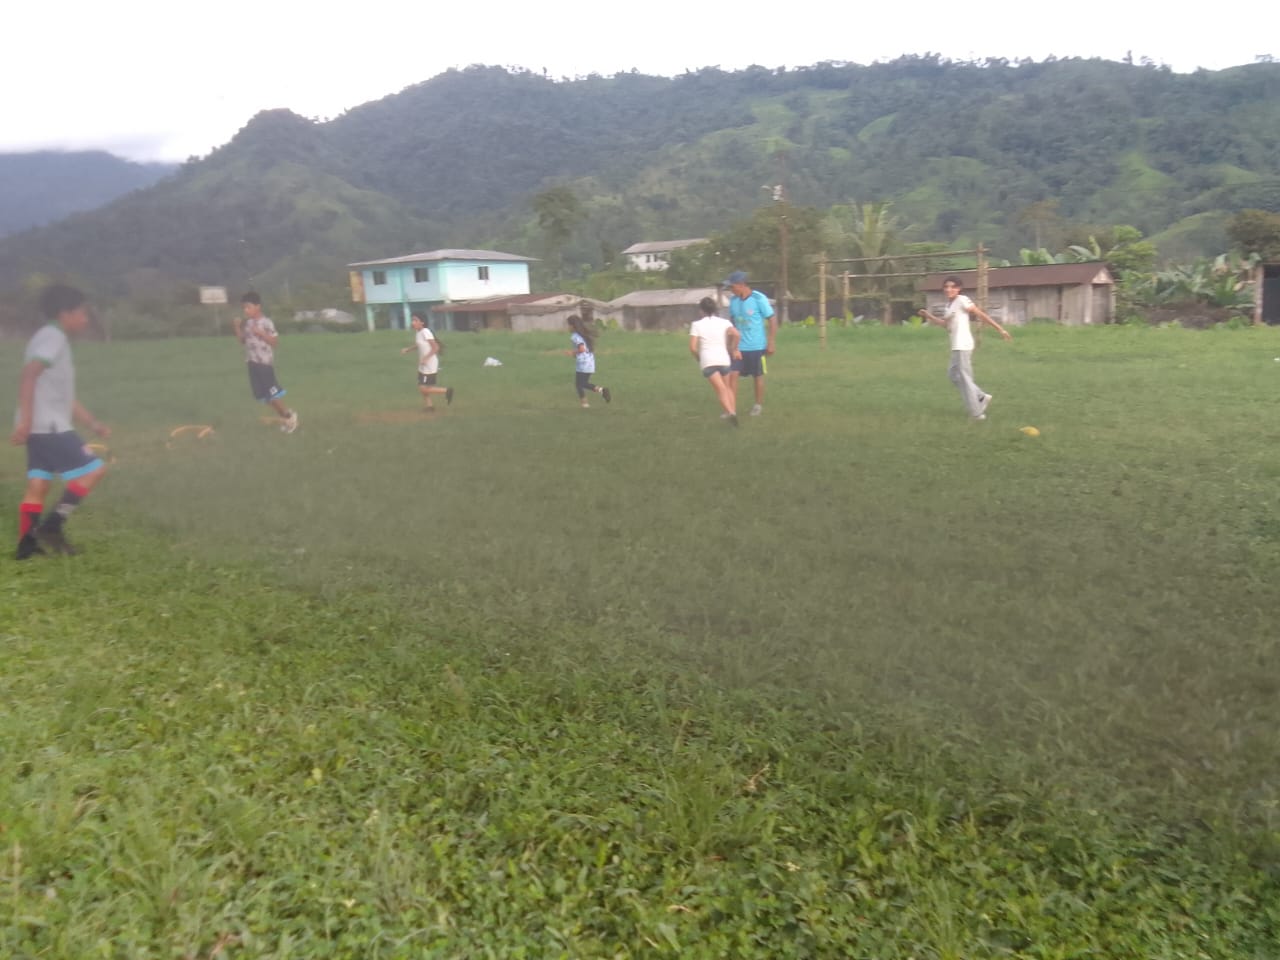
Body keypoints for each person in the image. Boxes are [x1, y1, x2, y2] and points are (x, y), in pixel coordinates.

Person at [10, 284, 110, 559]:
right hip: (49, 426)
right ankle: (52, 527)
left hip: (41, 425)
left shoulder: (44, 336)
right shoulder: (54, 338)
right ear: (65, 313)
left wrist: (92, 423)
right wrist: (27, 420)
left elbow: (63, 396)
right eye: (82, 313)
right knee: (94, 470)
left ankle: (26, 547)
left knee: (39, 484)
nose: (85, 320)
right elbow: (29, 375)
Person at [918, 277, 1012, 420]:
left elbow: (979, 313)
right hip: (956, 346)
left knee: (965, 378)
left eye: (952, 287)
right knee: (953, 375)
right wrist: (928, 315)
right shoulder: (948, 306)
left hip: (963, 344)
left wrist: (1000, 329)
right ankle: (980, 396)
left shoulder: (962, 300)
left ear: (959, 289)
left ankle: (977, 413)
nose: (949, 289)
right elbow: (945, 325)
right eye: (946, 287)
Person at [233, 291, 298, 433]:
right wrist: (237, 327)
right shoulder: (248, 323)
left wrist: (261, 333)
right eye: (244, 308)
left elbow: (274, 342)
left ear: (258, 306)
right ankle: (286, 416)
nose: (246, 310)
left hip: (264, 364)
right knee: (264, 397)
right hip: (252, 363)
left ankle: (290, 417)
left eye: (248, 307)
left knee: (273, 395)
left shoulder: (267, 322)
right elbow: (242, 341)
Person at [724, 270, 776, 416]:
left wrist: (771, 342)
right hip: (738, 347)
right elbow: (732, 322)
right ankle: (731, 409)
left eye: (732, 286)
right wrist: (730, 344)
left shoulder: (758, 299)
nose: (731, 290)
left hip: (756, 346)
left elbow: (772, 319)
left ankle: (757, 405)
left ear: (741, 284)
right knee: (733, 374)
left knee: (757, 375)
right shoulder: (733, 301)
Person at [689, 296, 740, 425]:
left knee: (720, 389)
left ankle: (730, 413)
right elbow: (736, 334)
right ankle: (732, 411)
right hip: (724, 359)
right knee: (727, 387)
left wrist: (698, 358)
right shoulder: (725, 322)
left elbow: (693, 348)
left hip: (708, 361)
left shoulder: (697, 325)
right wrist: (733, 349)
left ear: (701, 310)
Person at [400, 314, 454, 412]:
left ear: (422, 322)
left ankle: (447, 391)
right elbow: (419, 345)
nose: (413, 323)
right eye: (412, 320)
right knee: (422, 386)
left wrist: (426, 358)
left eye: (415, 320)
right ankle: (429, 406)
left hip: (429, 364)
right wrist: (407, 349)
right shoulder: (418, 332)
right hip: (423, 364)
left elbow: (436, 347)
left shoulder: (426, 332)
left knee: (423, 388)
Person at [568, 314, 611, 408]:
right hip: (590, 362)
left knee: (579, 385)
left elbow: (582, 349)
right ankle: (602, 391)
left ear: (573, 326)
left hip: (583, 363)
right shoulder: (583, 335)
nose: (568, 327)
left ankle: (585, 404)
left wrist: (573, 352)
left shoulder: (575, 336)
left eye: (569, 325)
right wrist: (576, 354)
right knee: (583, 384)